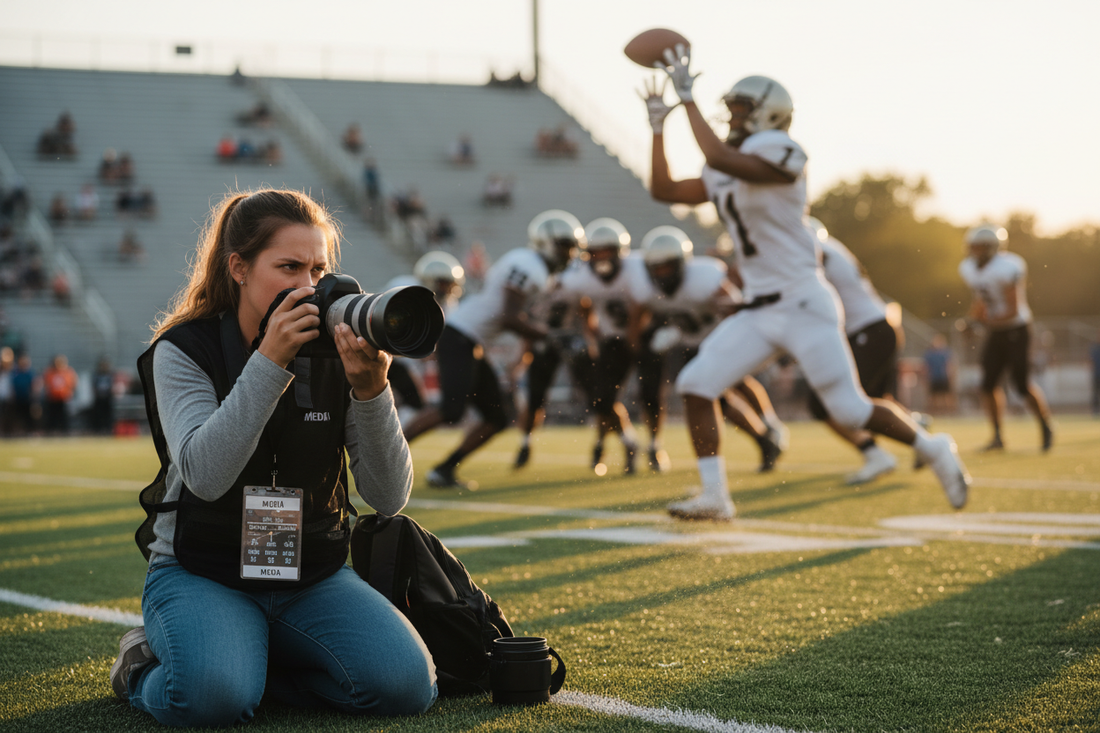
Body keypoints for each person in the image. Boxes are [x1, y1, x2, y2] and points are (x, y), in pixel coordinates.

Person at [109, 189, 436, 726]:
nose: (308, 286)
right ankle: (140, 668)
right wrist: (270, 360)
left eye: (318, 269)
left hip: (311, 576)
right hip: (204, 570)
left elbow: (387, 496)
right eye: (289, 267)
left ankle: (253, 666)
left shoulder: (338, 350)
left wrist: (372, 391)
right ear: (239, 267)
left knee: (405, 687)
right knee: (213, 700)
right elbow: (205, 476)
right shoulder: (185, 350)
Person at [643, 54, 970, 520]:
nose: (731, 118)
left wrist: (688, 100)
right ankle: (715, 496)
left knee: (849, 410)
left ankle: (933, 447)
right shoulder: (725, 165)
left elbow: (719, 157)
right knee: (696, 384)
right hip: (759, 309)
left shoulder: (782, 150)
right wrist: (658, 127)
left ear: (769, 114)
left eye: (740, 109)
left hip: (802, 301)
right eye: (730, 109)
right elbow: (665, 190)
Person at [402, 210, 582, 488]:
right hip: (460, 335)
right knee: (451, 409)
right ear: (547, 243)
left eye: (571, 248)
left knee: (497, 418)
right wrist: (551, 335)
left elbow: (513, 316)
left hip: (472, 341)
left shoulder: (533, 266)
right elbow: (509, 317)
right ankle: (384, 452)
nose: (569, 254)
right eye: (564, 246)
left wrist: (541, 338)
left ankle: (444, 470)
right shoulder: (530, 265)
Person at [630, 225, 786, 474]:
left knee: (734, 386)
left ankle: (768, 429)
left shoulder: (705, 278)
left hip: (719, 338)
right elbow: (636, 320)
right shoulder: (645, 288)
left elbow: (737, 311)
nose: (662, 274)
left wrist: (735, 338)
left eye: (667, 267)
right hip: (692, 346)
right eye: (657, 268)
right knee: (718, 400)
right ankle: (763, 440)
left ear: (682, 263)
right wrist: (646, 343)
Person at [806, 218, 916, 485]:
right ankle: (919, 433)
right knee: (875, 400)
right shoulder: (834, 248)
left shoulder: (819, 252)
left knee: (826, 402)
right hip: (878, 328)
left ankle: (876, 454)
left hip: (869, 332)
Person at [541, 217, 642, 474]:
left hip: (641, 338)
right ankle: (622, 442)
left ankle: (626, 445)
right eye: (595, 252)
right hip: (611, 342)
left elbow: (645, 304)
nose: (601, 257)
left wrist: (634, 339)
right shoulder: (581, 276)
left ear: (619, 251)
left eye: (606, 251)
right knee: (603, 398)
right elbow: (582, 304)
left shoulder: (636, 269)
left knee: (639, 396)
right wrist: (591, 334)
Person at [958, 224, 1054, 451]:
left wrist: (983, 323)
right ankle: (997, 436)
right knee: (987, 385)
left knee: (1021, 385)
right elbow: (980, 300)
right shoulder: (970, 268)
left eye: (979, 247)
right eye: (973, 247)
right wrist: (972, 320)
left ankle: (1045, 424)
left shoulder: (1008, 266)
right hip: (996, 331)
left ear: (992, 247)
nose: (974, 251)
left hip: (1016, 329)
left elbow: (1012, 310)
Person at [42, 354, 77, 435]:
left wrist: (71, 392)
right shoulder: (50, 372)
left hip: (64, 398)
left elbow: (74, 383)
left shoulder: (68, 372)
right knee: (52, 417)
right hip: (53, 399)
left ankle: (65, 432)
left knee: (64, 417)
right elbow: (46, 384)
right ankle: (51, 432)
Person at [924, 333, 956, 413]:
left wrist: (951, 376)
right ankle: (935, 412)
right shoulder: (930, 354)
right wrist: (926, 378)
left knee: (946, 395)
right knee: (933, 396)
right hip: (934, 377)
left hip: (943, 377)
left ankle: (949, 412)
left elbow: (949, 365)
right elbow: (927, 367)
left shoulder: (945, 353)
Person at [91, 357, 115, 434]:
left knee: (107, 414)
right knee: (99, 414)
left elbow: (112, 386)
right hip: (99, 397)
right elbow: (94, 386)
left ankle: (108, 428)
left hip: (107, 397)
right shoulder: (97, 375)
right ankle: (99, 428)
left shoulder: (110, 375)